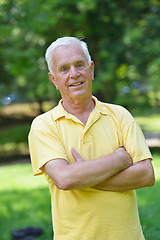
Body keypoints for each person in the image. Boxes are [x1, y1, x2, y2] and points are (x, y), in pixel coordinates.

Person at [28, 36, 155, 240]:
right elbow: (64, 178)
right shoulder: (43, 126)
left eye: (80, 65)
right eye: (64, 69)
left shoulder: (120, 115)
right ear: (54, 79)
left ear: (91, 69)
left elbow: (146, 175)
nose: (74, 74)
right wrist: (118, 160)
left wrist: (84, 175)